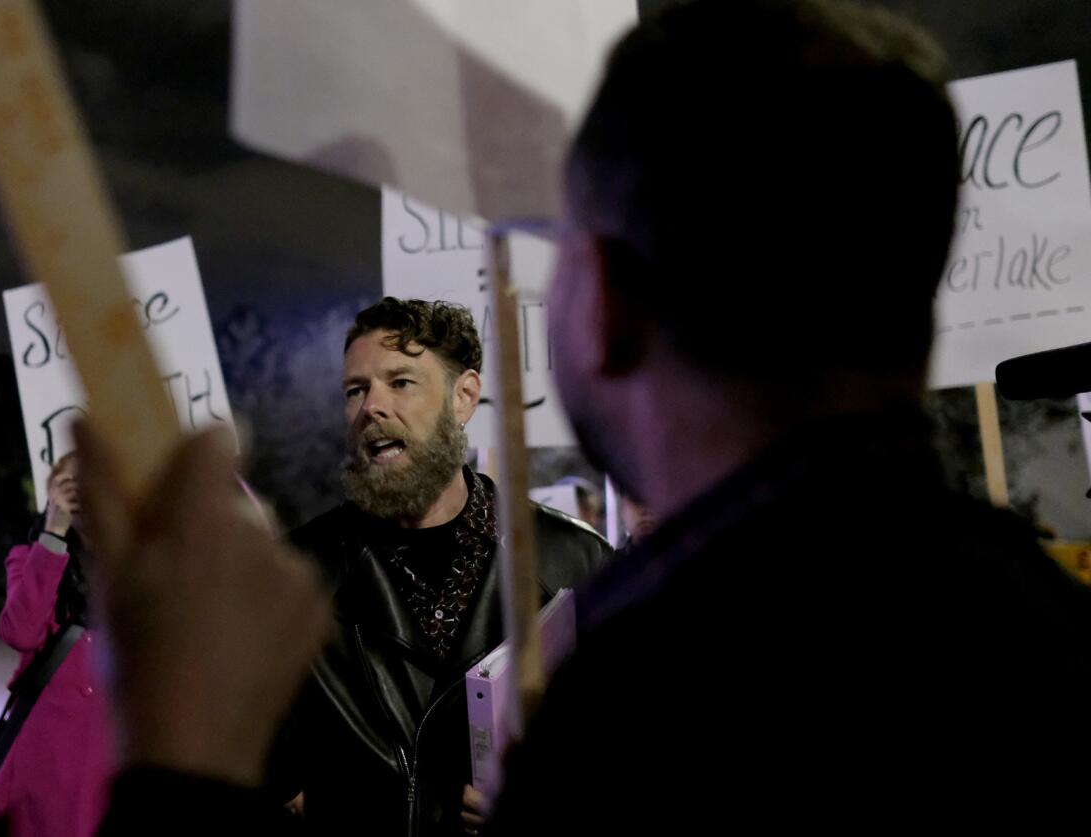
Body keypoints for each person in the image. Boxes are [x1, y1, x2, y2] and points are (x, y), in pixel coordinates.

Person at [81, 0, 1091, 831]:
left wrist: (183, 773)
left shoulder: (643, 691)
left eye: (557, 247)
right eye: (357, 388)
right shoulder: (1050, 637)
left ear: (601, 302)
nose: (372, 407)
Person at [271, 298, 613, 836]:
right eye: (355, 390)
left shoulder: (574, 561)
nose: (372, 407)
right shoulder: (292, 575)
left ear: (464, 396)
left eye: (401, 382)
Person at [0, 454, 115, 837]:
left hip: (111, 760)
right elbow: (19, 633)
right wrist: (54, 532)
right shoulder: (30, 557)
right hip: (43, 760)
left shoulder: (135, 566)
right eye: (72, 486)